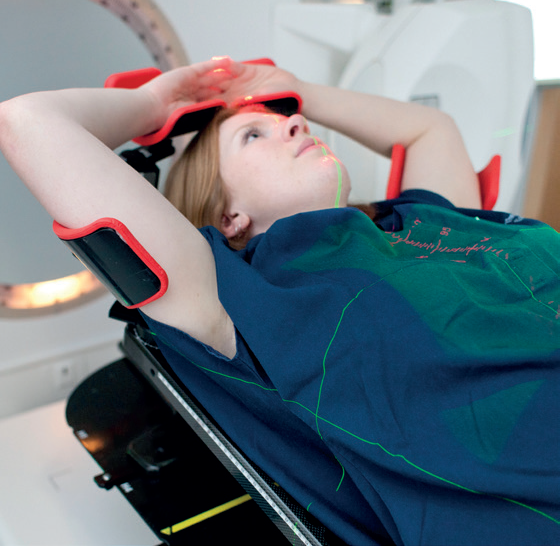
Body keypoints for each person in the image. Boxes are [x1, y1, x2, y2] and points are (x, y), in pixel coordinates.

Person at [0, 57, 558, 546]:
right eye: (253, 136)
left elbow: (429, 129)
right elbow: (28, 122)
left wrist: (294, 89)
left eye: (291, 118)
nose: (294, 122)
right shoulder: (235, 291)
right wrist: (152, 105)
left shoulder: (413, 218)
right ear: (228, 216)